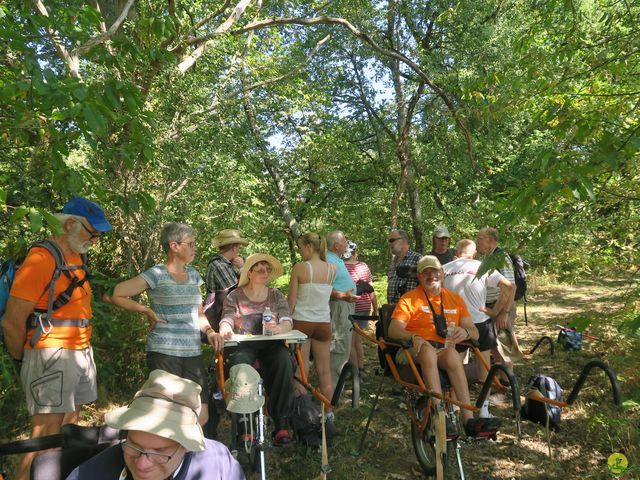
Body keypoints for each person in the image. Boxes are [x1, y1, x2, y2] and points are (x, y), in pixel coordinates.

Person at [2, 197, 112, 480]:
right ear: (70, 224)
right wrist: (21, 357)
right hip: (50, 353)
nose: (96, 240)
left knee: (68, 430)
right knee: (45, 436)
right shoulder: (41, 258)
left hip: (79, 351)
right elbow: (12, 320)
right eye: (93, 233)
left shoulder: (76, 256)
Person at [105, 222, 223, 426]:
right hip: (163, 351)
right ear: (174, 246)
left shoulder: (194, 275)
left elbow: (199, 313)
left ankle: (186, 456)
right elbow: (116, 294)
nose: (195, 247)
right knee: (167, 414)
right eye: (191, 243)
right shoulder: (156, 274)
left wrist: (210, 332)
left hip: (192, 352)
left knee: (201, 414)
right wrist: (145, 310)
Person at [388, 255, 500, 437]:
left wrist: (466, 333)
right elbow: (394, 329)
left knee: (452, 355)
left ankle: (469, 420)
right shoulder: (409, 299)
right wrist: (413, 336)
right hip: (411, 349)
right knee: (428, 351)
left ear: (442, 273)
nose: (431, 275)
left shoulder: (455, 299)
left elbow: (474, 331)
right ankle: (439, 414)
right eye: (426, 272)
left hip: (441, 350)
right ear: (419, 276)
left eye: (434, 271)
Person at [65, 369, 245, 480]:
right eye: (134, 446)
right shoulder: (92, 473)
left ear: (187, 446)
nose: (142, 464)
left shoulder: (219, 463)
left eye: (159, 452)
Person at [219, 254, 294, 446]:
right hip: (244, 344)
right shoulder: (234, 296)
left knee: (284, 360)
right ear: (249, 273)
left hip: (272, 343)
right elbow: (226, 318)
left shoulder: (276, 295)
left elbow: (287, 320)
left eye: (267, 269)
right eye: (260, 269)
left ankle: (280, 420)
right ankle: (246, 422)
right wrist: (225, 327)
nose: (265, 272)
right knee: (240, 364)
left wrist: (281, 328)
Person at [443, 239, 515, 417]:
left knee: (453, 366)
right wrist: (496, 311)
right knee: (483, 367)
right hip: (479, 322)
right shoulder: (482, 266)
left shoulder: (444, 268)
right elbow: (510, 287)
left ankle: (452, 408)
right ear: (473, 254)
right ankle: (483, 409)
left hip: (454, 323)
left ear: (456, 253)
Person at [287, 233, 336, 418]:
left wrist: (283, 320)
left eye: (300, 247)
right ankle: (329, 412)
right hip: (323, 323)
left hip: (302, 322)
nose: (300, 251)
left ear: (308, 246)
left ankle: (302, 412)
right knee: (325, 370)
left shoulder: (300, 268)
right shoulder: (332, 269)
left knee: (302, 369)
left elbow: (291, 301)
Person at [476, 227, 524, 371]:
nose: (476, 242)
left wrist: (505, 313)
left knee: (505, 350)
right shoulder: (489, 258)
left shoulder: (501, 258)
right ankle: (501, 384)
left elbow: (511, 287)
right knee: (496, 348)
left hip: (502, 308)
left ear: (489, 241)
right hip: (492, 307)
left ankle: (507, 384)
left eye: (479, 239)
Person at [325, 231, 359, 388]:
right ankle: (332, 390)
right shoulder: (328, 260)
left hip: (345, 306)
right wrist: (342, 296)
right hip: (339, 307)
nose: (346, 244)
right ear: (337, 245)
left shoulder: (335, 259)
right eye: (344, 242)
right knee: (338, 346)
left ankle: (336, 387)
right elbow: (323, 289)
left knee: (344, 344)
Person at [344, 240, 378, 374]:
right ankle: (360, 367)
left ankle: (356, 371)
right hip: (364, 307)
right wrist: (374, 308)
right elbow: (371, 289)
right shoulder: (364, 266)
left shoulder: (341, 267)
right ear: (354, 253)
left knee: (351, 342)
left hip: (351, 307)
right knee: (357, 340)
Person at [203, 229, 249, 328]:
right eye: (238, 247)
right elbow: (238, 292)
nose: (238, 250)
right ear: (234, 247)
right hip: (223, 319)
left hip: (230, 317)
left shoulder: (229, 264)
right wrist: (242, 268)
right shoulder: (219, 265)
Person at [386, 229, 421, 305]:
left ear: (404, 240)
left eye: (392, 240)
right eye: (389, 241)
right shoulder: (393, 263)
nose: (390, 243)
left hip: (412, 310)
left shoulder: (418, 259)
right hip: (394, 311)